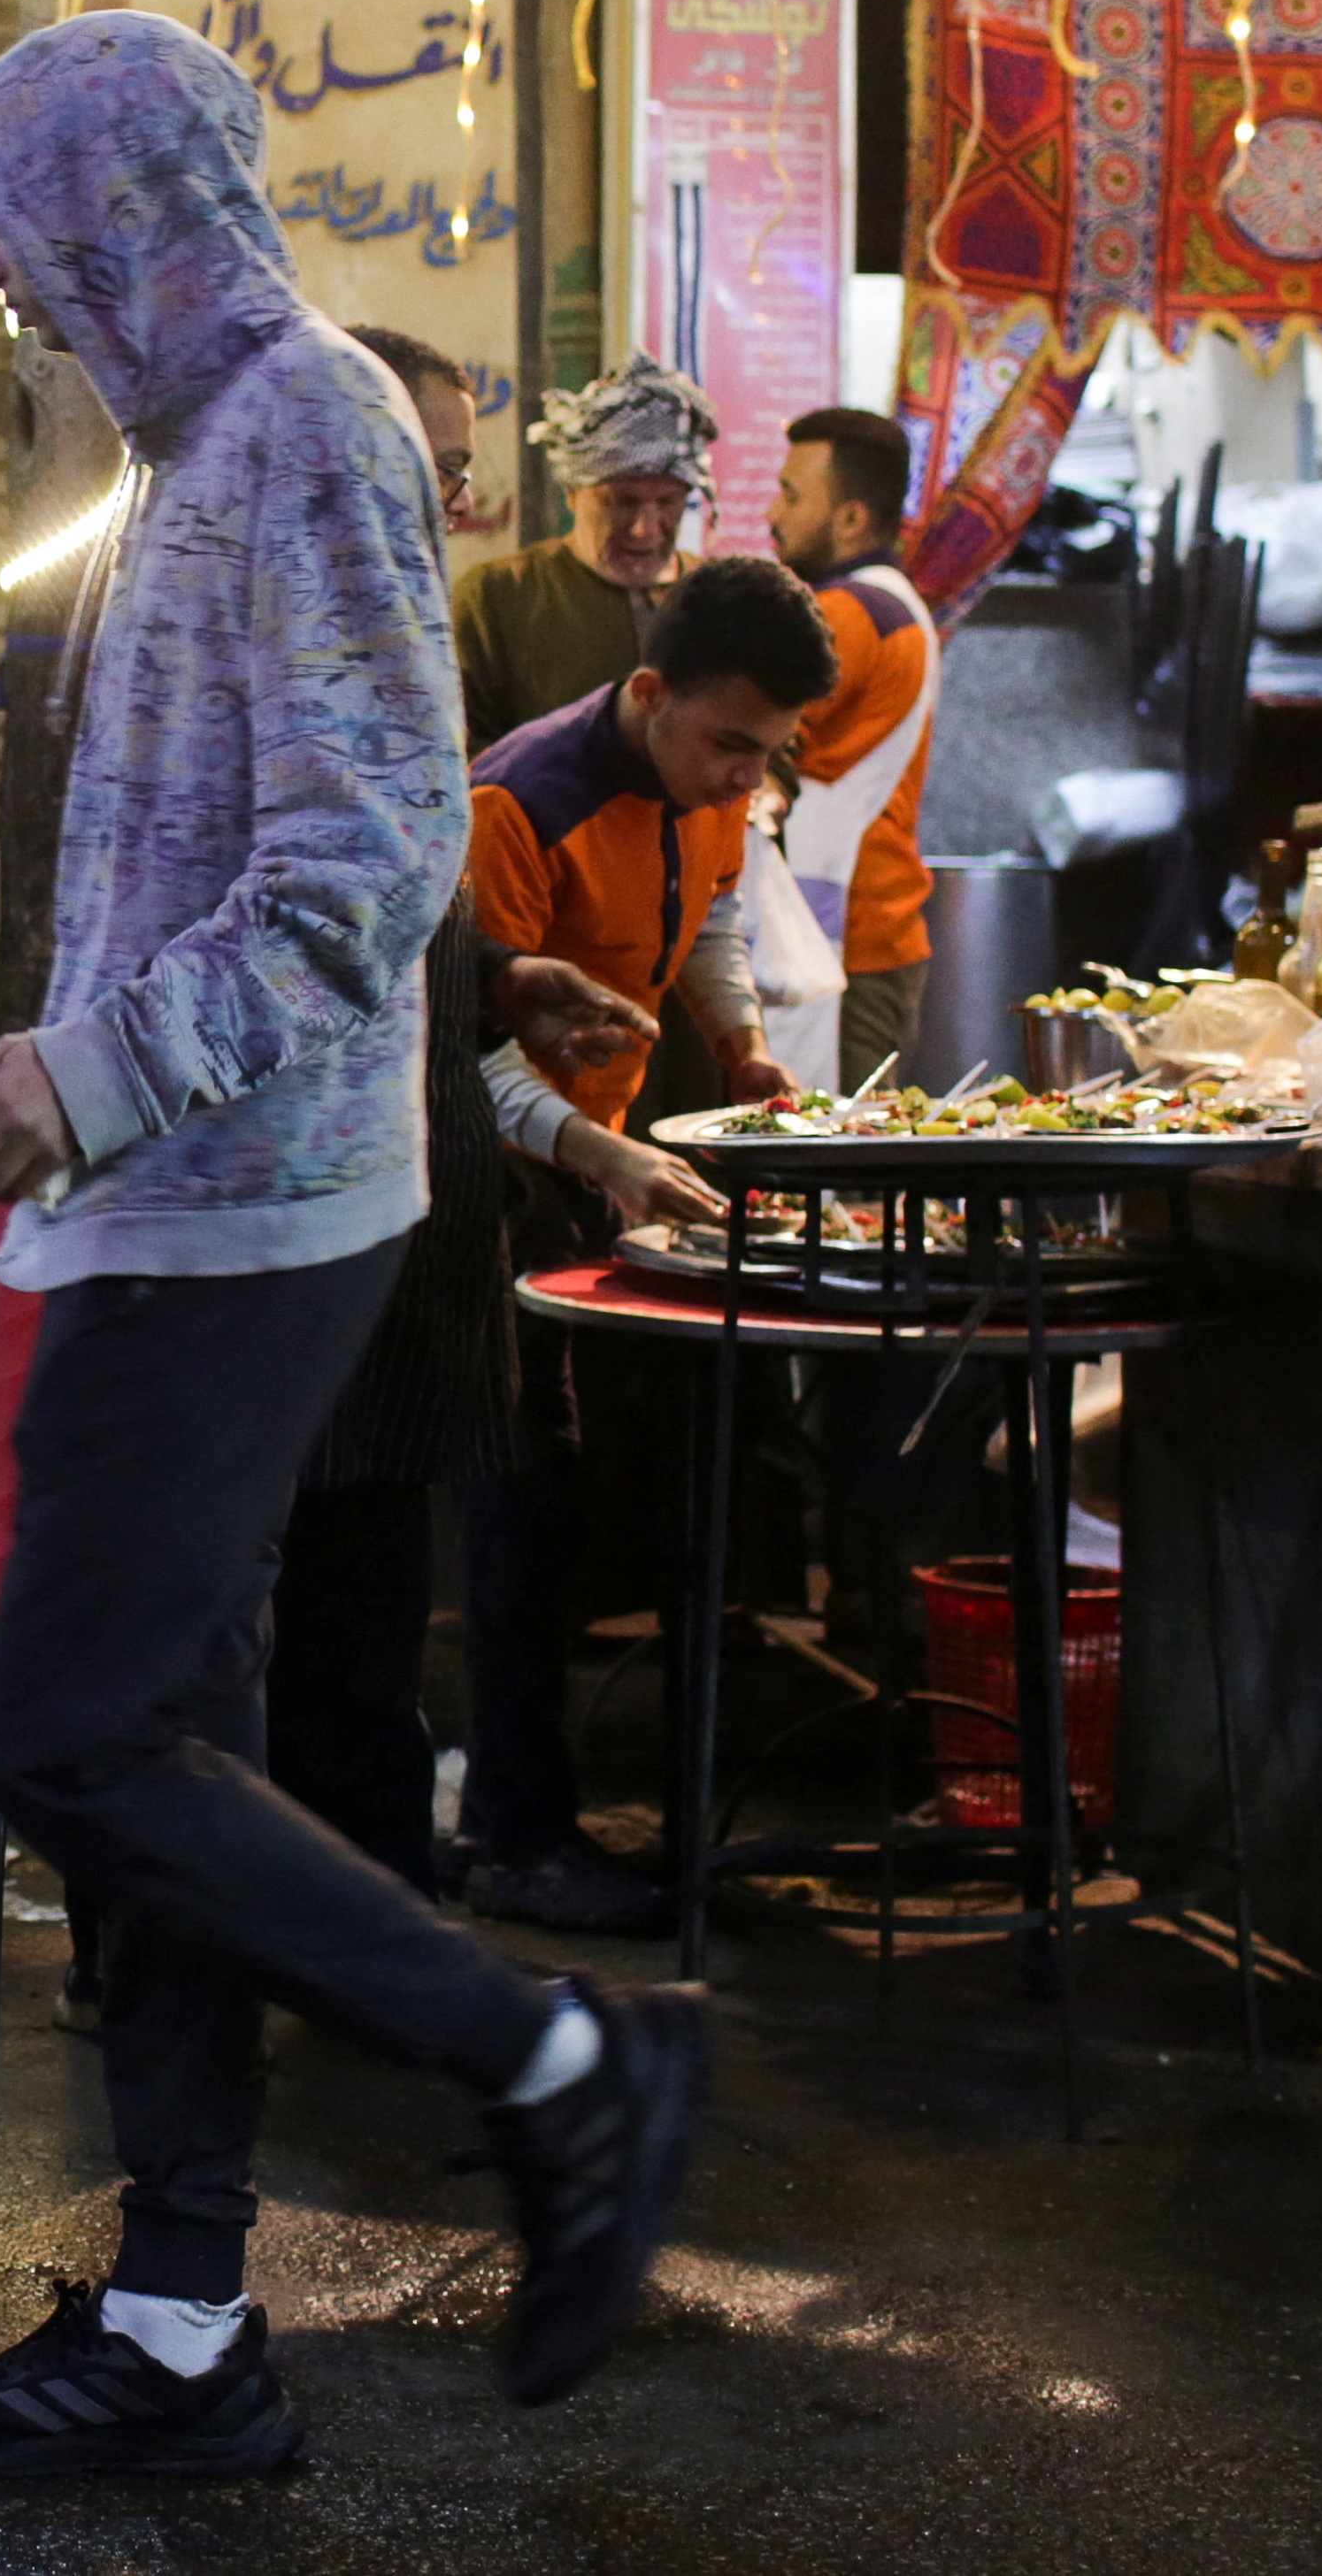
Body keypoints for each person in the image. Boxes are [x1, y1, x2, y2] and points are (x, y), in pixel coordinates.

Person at [0, 11, 706, 2481]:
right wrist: (45, 1064)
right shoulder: (186, 455)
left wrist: (92, 1071)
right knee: (164, 1754)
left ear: (119, 197)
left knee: (66, 1729)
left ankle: (564, 2059)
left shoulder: (304, 420)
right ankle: (179, 2319)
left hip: (237, 1213)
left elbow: (364, 865)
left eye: (11, 210)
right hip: (165, 1198)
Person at [271, 324, 657, 1898]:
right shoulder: (280, 637)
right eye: (420, 471)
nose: (442, 506)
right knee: (300, 1610)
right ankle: (304, 1940)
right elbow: (279, 922)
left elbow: (392, 907)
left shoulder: (399, 632)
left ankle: (365, 1914)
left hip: (410, 1204)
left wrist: (497, 975)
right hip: (303, 1206)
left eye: (453, 477)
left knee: (367, 1598)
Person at [445, 556, 842, 1933]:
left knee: (610, 1494)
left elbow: (719, 905)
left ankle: (555, 1809)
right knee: (520, 1506)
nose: (746, 777)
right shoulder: (518, 800)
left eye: (770, 755)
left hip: (593, 1167)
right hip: (476, 1189)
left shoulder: (715, 785)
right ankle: (509, 1833)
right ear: (652, 689)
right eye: (730, 742)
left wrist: (737, 1039)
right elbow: (464, 1045)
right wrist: (603, 1155)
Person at [765, 406, 941, 1093]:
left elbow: (767, 730)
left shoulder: (848, 615)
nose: (773, 511)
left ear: (852, 520)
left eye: (793, 494)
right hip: (870, 931)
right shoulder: (893, 603)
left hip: (847, 939)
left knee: (834, 1168)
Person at [450, 360, 718, 751]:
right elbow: (463, 748)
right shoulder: (498, 596)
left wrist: (769, 792)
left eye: (667, 502)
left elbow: (768, 735)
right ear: (572, 495)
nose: (646, 528)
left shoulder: (721, 598)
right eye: (622, 502)